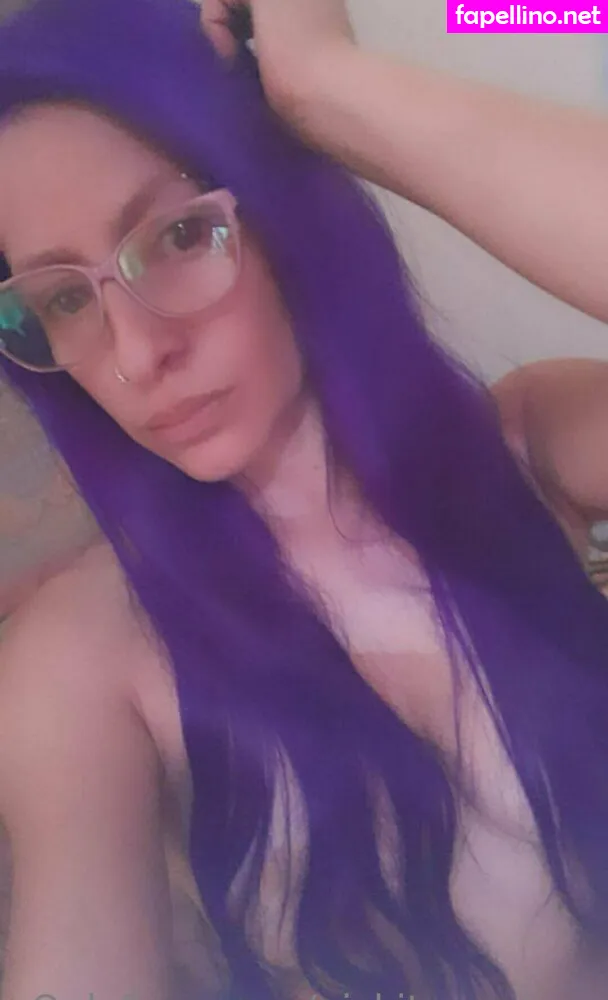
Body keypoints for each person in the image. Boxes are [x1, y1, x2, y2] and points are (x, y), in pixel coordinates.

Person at [1, 1, 608, 999]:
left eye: (177, 234)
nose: (136, 354)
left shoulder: (528, 443)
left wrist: (329, 86)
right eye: (64, 297)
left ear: (286, 218)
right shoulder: (82, 659)